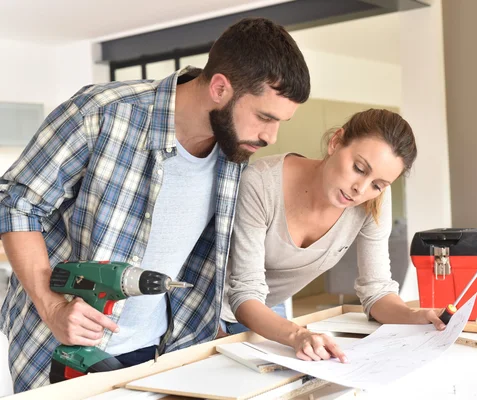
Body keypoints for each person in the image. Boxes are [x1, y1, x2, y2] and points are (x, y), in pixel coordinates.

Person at [0, 17, 310, 392]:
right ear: (219, 87)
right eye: (264, 117)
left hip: (167, 350)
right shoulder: (101, 114)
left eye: (281, 122)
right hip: (63, 347)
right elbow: (17, 203)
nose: (270, 136)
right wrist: (52, 309)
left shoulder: (233, 152)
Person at [220, 109, 444, 362]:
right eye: (359, 168)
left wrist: (415, 316)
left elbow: (377, 291)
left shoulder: (374, 200)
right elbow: (244, 293)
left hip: (268, 312)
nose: (360, 189)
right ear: (335, 142)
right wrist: (296, 335)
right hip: (211, 312)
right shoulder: (261, 184)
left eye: (378, 184)